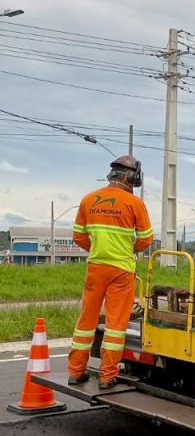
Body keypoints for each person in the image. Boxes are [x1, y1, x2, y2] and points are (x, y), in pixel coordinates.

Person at [67, 156, 153, 389]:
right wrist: (127, 249)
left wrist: (96, 248)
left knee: (86, 321)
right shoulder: (135, 204)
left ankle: (76, 371)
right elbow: (146, 239)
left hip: (96, 267)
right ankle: (107, 377)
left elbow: (78, 236)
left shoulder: (88, 200)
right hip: (121, 271)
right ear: (132, 177)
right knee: (116, 325)